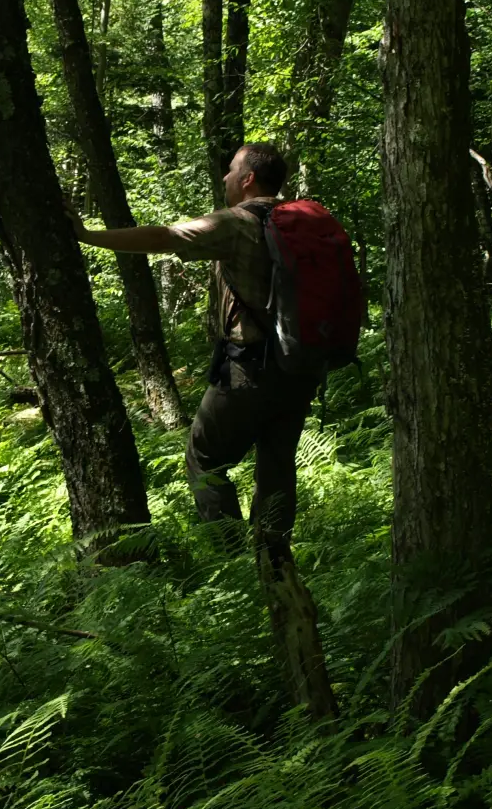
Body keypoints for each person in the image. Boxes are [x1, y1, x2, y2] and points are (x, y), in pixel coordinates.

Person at [69, 142, 319, 562]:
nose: (224, 177)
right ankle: (274, 565)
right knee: (277, 466)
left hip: (249, 367)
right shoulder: (300, 224)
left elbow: (166, 236)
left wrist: (89, 236)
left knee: (203, 456)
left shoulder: (238, 222)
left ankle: (232, 560)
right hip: (300, 366)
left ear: (248, 179)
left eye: (231, 169)